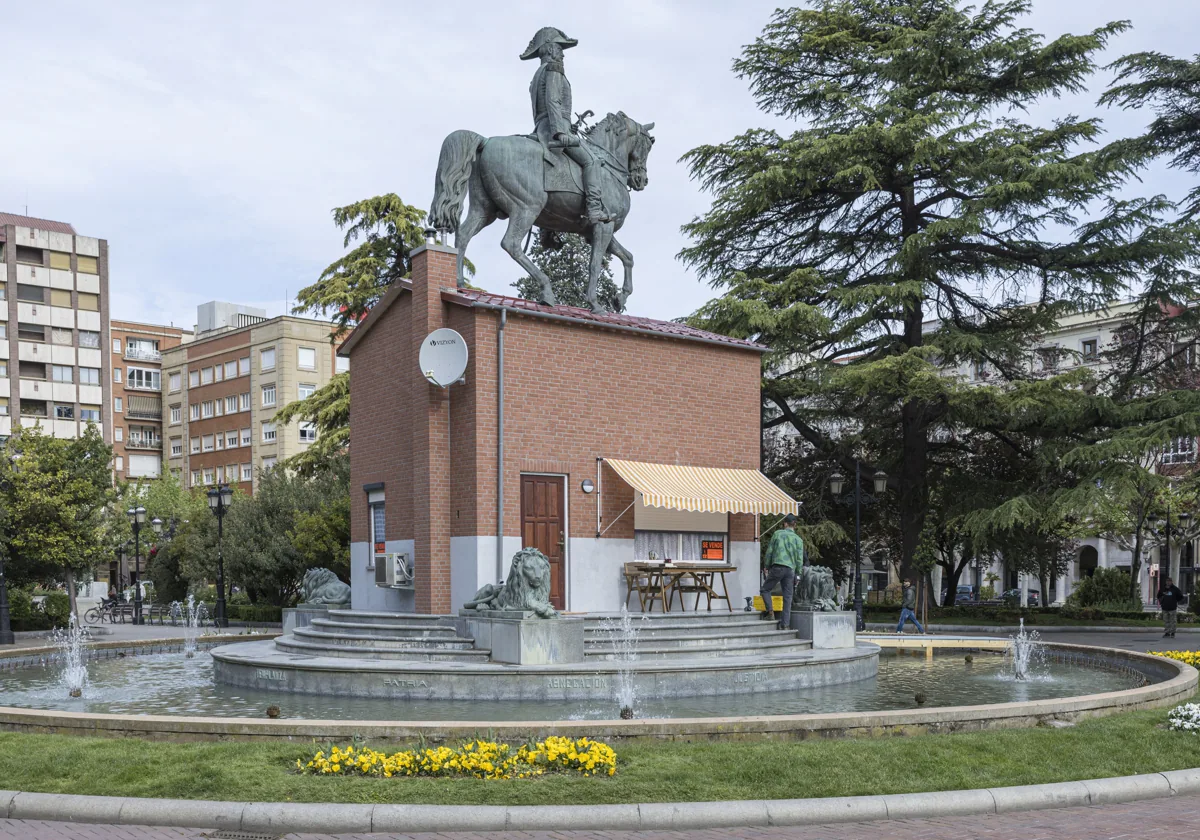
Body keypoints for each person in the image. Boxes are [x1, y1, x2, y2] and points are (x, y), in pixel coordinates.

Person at [522, 26, 611, 225]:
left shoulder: (537, 75)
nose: (562, 54)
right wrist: (560, 131)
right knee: (592, 162)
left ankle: (548, 229)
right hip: (555, 128)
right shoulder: (554, 68)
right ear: (551, 49)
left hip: (542, 127)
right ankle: (595, 209)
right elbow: (553, 101)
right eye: (560, 48)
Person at [760, 514, 804, 630]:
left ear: (785, 524)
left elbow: (770, 551)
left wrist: (767, 565)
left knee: (765, 589)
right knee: (788, 597)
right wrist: (798, 574)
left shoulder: (777, 534)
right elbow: (800, 559)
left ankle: (770, 613)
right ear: (795, 525)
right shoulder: (798, 540)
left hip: (777, 567)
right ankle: (785, 624)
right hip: (790, 570)